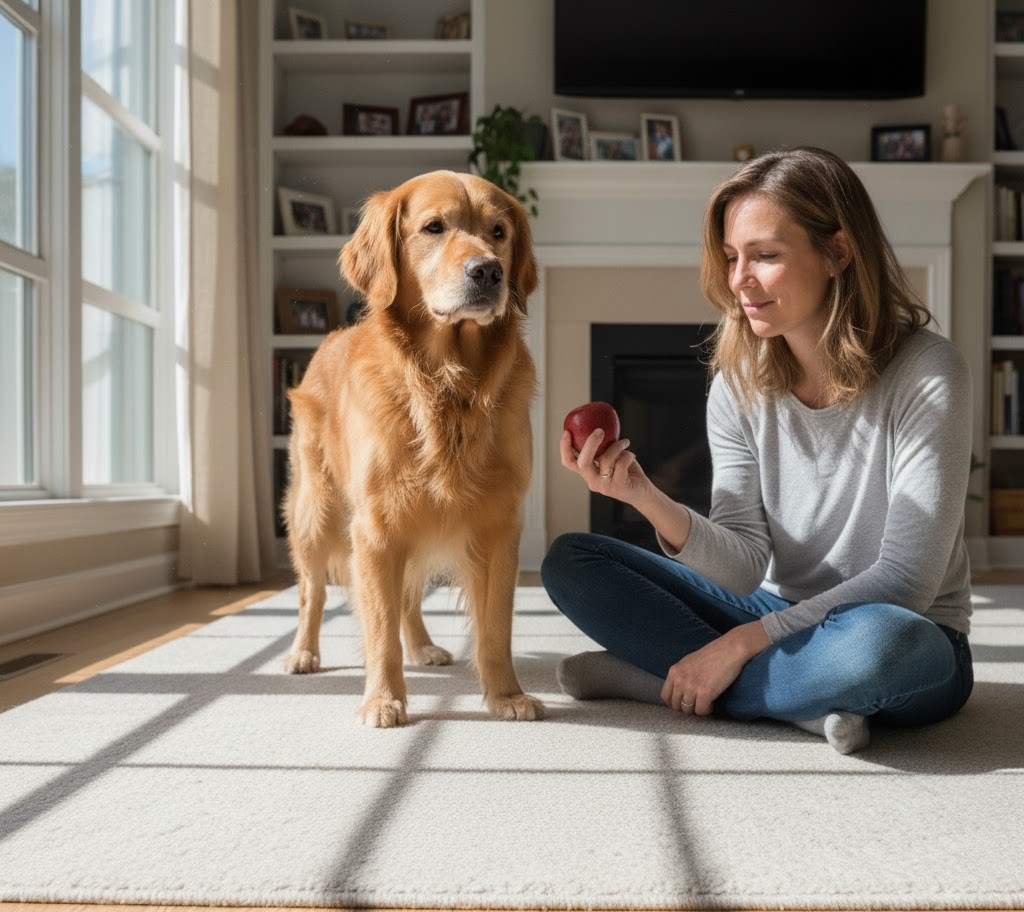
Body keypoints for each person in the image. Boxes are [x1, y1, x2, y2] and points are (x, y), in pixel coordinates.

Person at [540, 146, 974, 754]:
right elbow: (743, 566)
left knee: (889, 648)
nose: (738, 279)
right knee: (571, 563)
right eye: (731, 257)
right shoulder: (738, 384)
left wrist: (741, 644)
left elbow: (908, 580)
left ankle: (656, 679)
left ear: (838, 253)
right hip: (769, 608)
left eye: (765, 256)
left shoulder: (929, 373)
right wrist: (639, 493)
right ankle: (796, 701)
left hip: (901, 627)